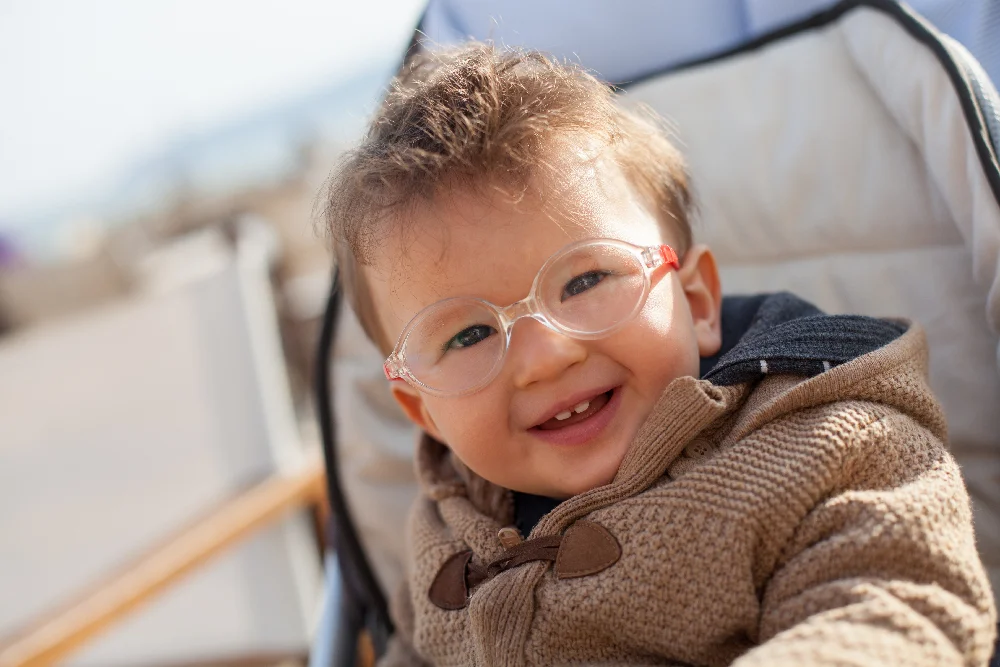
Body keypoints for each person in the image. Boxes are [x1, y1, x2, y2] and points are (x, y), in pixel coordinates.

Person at [322, 42, 997, 666]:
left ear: (698, 301)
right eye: (467, 334)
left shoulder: (834, 446)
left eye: (584, 281)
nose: (546, 357)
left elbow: (893, 616)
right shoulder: (442, 527)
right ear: (423, 410)